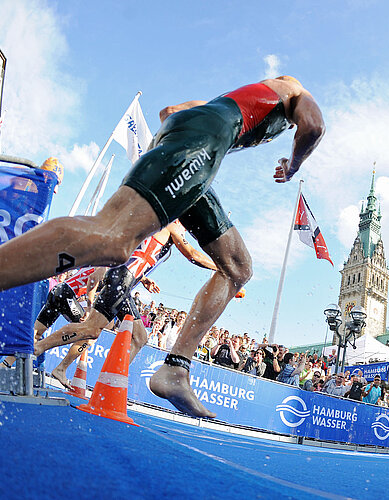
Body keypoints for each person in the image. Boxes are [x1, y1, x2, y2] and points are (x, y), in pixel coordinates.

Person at [0, 76, 324, 417]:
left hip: (194, 149)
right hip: (204, 143)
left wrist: (167, 141)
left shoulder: (228, 101)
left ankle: (175, 368)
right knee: (112, 238)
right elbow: (314, 125)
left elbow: (169, 111)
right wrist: (293, 166)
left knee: (238, 267)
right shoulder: (294, 89)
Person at [33, 221, 216, 387]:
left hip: (125, 282)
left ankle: (110, 384)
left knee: (140, 337)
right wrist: (221, 267)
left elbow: (133, 252)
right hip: (119, 281)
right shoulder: (173, 224)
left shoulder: (157, 225)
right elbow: (193, 255)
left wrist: (143, 278)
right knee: (90, 330)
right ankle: (39, 348)